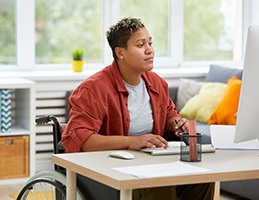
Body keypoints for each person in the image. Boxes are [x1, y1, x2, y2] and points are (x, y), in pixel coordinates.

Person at [62, 17, 214, 200]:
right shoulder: (92, 90)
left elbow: (168, 114)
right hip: (106, 173)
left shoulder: (157, 83)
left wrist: (176, 123)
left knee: (204, 179)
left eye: (150, 43)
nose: (150, 50)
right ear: (120, 53)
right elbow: (83, 140)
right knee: (159, 186)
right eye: (140, 45)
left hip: (150, 165)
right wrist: (131, 141)